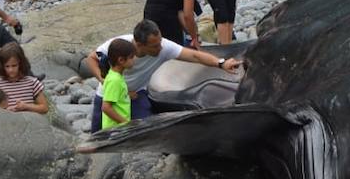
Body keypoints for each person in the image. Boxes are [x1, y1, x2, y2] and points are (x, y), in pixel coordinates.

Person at [83, 20, 243, 133]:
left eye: (160, 42)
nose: (160, 48)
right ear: (139, 45)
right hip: (107, 96)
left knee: (145, 130)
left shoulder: (163, 47)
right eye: (154, 46)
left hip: (136, 94)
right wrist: (104, 81)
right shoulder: (118, 46)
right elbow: (91, 59)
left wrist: (221, 63)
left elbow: (194, 56)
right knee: (98, 137)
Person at [0, 43, 48, 114]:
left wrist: (26, 106)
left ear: (21, 64)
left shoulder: (32, 83)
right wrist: (5, 111)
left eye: (14, 65)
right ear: (2, 66)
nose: (11, 70)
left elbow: (44, 108)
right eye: (7, 66)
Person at [99, 39, 137, 132]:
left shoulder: (116, 76)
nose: (134, 60)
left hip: (118, 128)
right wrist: (125, 123)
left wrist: (126, 95)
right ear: (121, 60)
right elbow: (106, 107)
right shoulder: (114, 80)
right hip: (115, 129)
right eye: (131, 57)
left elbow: (116, 96)